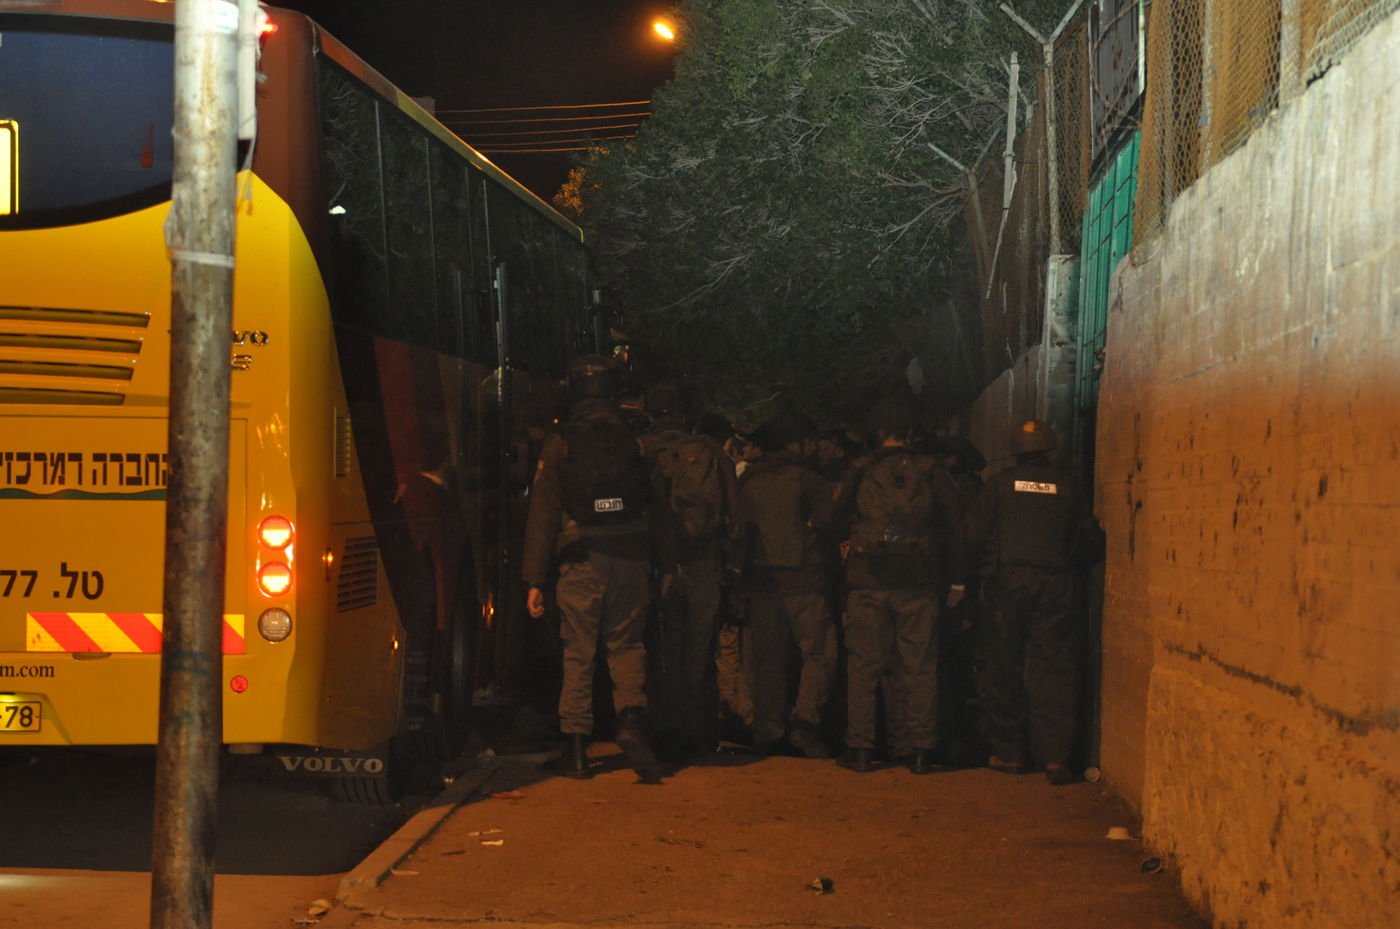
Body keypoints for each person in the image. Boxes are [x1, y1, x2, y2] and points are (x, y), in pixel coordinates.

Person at [522, 354, 662, 783]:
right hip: (632, 557)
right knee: (627, 645)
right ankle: (631, 720)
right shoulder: (637, 440)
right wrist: (666, 562)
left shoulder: (560, 443)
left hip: (583, 559)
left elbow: (543, 516)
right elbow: (659, 506)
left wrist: (534, 579)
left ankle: (577, 749)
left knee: (578, 652)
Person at [830, 397, 968, 774]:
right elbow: (954, 527)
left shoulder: (861, 468)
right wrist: (957, 580)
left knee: (864, 667)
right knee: (919, 667)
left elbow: (834, 517)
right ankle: (921, 751)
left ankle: (860, 748)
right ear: (910, 433)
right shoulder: (931, 470)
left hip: (867, 580)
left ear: (878, 432)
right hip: (919, 582)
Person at [982, 419, 1100, 785]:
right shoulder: (1068, 485)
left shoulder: (999, 484)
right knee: (1055, 668)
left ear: (1015, 449)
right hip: (1057, 583)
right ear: (1049, 447)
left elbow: (977, 532)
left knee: (1005, 665)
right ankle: (1056, 758)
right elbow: (1088, 538)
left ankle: (1011, 753)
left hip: (1010, 582)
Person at [638, 380, 740, 762]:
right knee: (700, 651)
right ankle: (696, 733)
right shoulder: (710, 451)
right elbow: (735, 516)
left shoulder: (641, 448)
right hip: (704, 563)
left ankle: (662, 729)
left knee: (660, 649)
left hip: (656, 567)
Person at [735, 414, 837, 758]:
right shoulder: (809, 479)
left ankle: (768, 729)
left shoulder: (748, 480)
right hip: (805, 580)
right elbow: (829, 524)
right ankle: (805, 723)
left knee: (767, 659)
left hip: (761, 583)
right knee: (819, 654)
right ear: (795, 445)